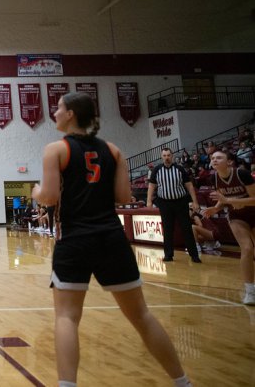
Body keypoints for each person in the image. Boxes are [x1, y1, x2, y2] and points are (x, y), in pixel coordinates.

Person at [32, 92, 192, 387]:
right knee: (142, 315)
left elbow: (51, 196)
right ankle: (182, 382)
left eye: (58, 108)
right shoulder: (114, 150)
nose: (54, 113)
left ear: (70, 114)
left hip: (75, 239)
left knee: (67, 318)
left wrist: (36, 191)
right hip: (111, 237)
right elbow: (124, 197)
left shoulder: (56, 150)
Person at [202, 150, 255, 304]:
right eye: (213, 158)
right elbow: (223, 200)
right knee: (246, 248)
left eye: (219, 157)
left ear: (229, 161)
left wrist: (232, 201)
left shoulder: (242, 174)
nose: (215, 160)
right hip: (237, 217)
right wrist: (216, 208)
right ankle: (250, 291)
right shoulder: (214, 178)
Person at [146, 148, 201, 263]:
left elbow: (189, 186)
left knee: (186, 228)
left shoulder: (179, 169)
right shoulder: (157, 170)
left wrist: (195, 201)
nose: (167, 157)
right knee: (167, 229)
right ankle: (168, 255)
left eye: (168, 155)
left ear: (172, 156)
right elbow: (151, 186)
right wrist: (149, 201)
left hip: (180, 202)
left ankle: (194, 255)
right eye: (164, 155)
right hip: (165, 203)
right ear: (162, 157)